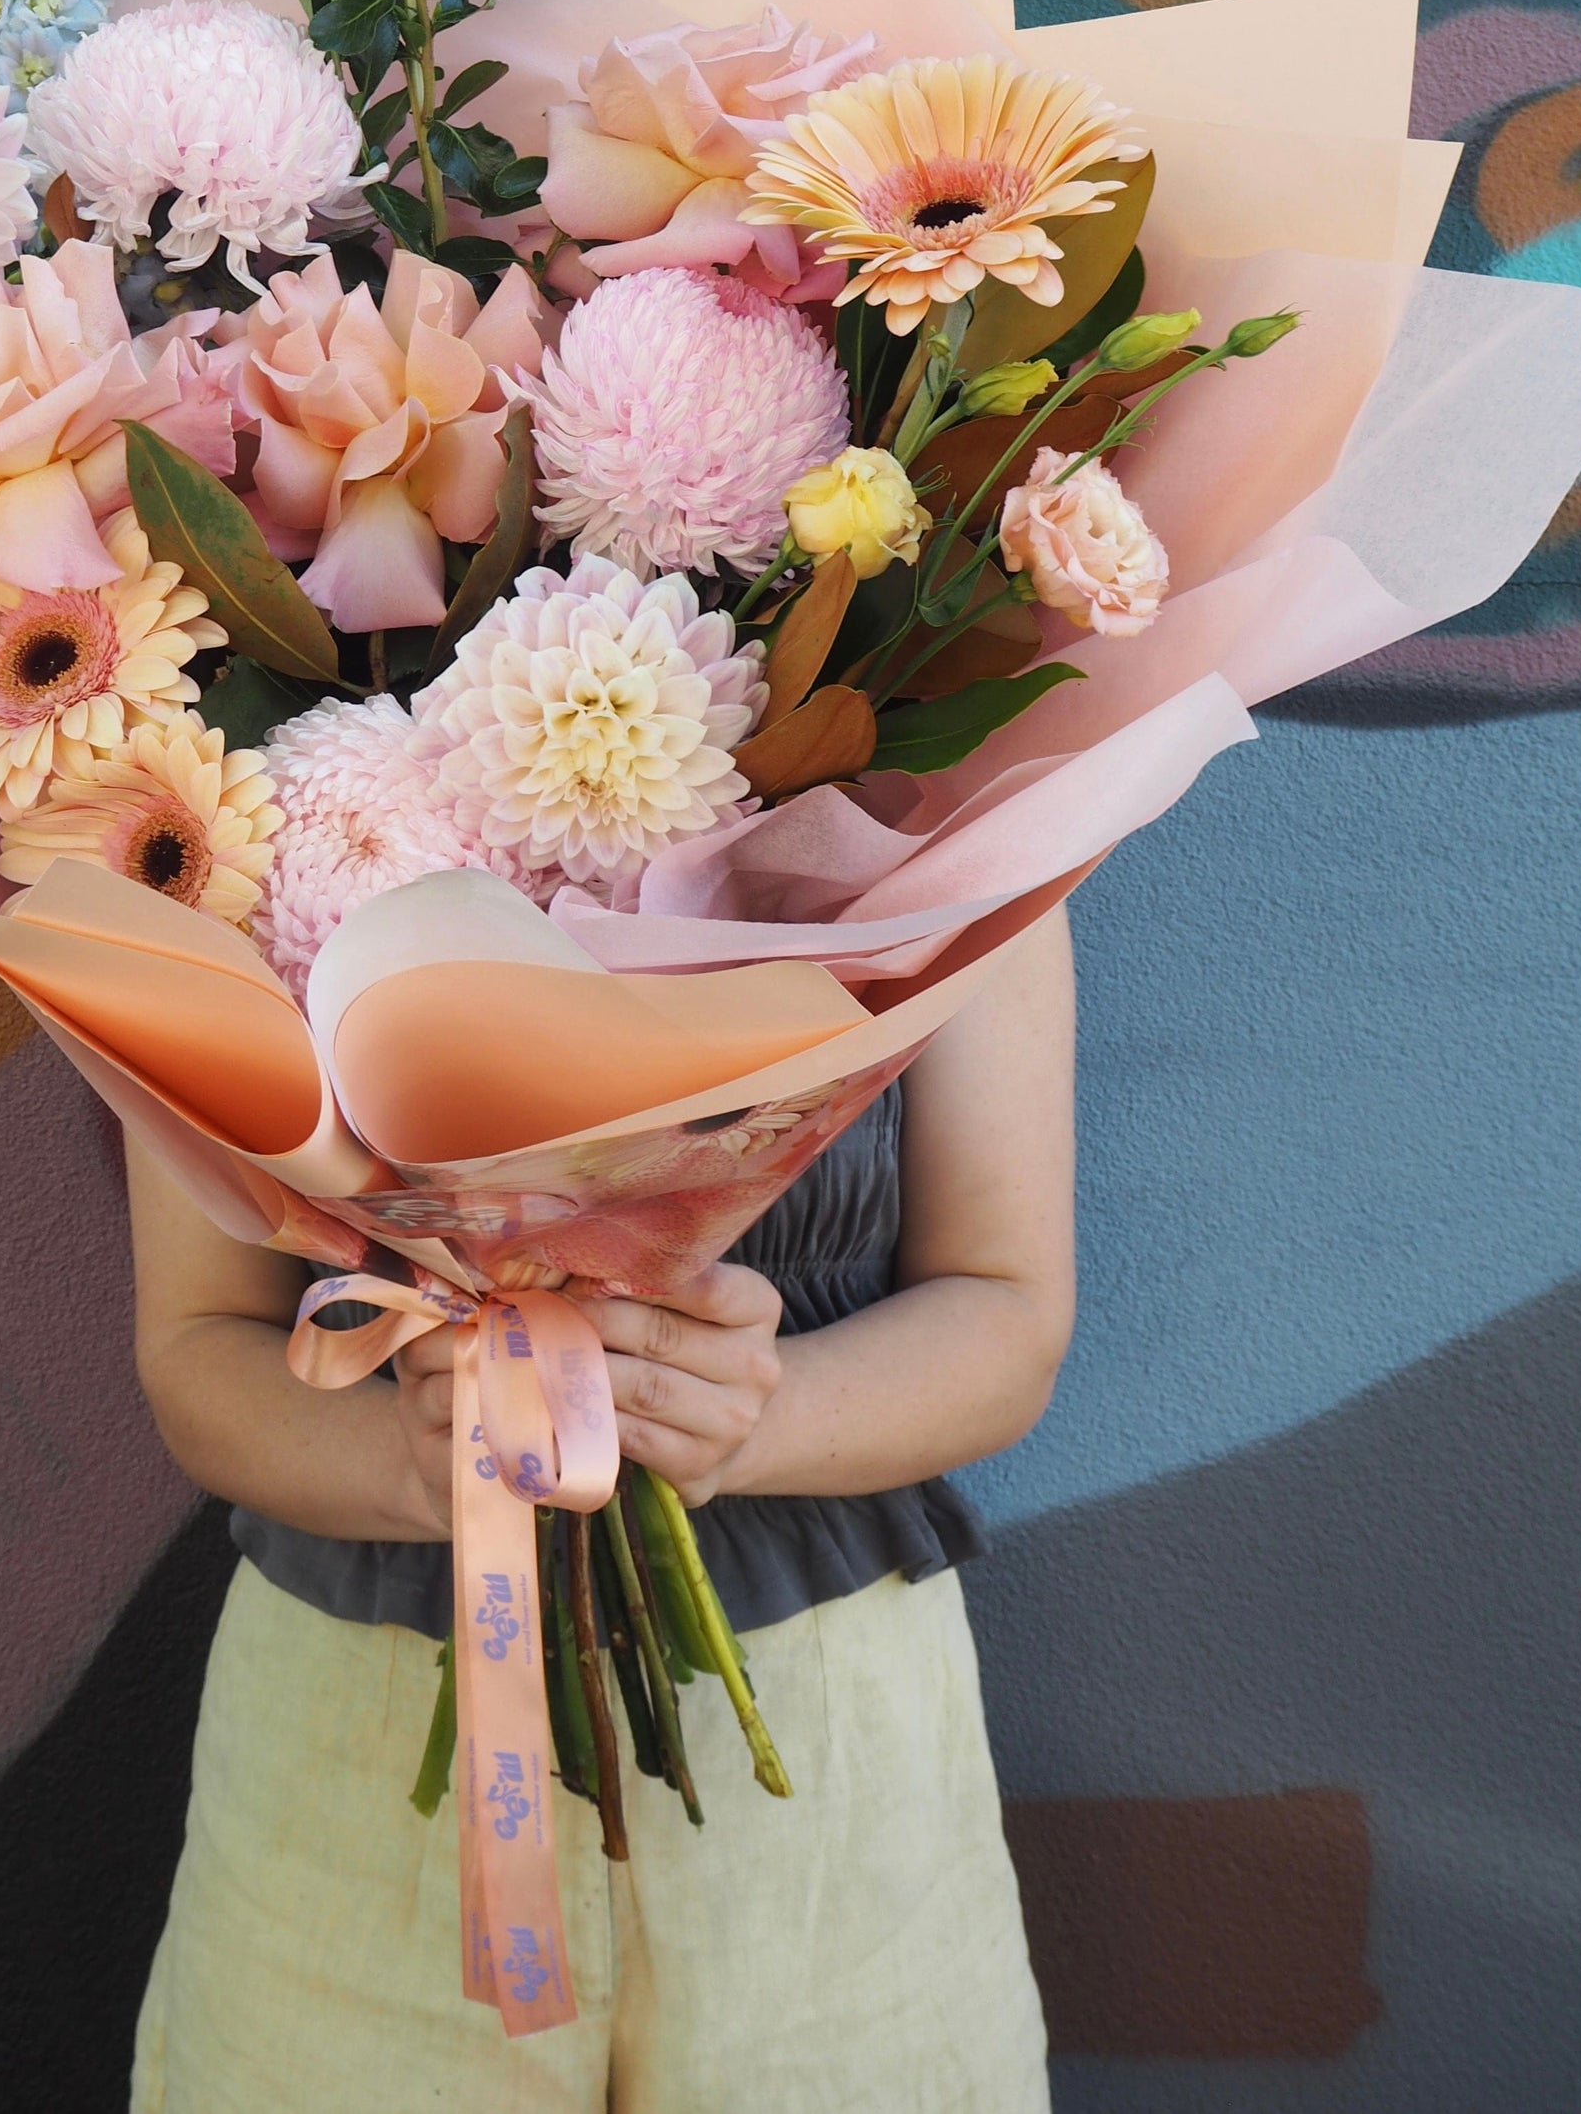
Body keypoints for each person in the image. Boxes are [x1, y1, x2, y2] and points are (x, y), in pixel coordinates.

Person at [125, 902, 1076, 2113]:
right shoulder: (216, 833)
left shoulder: (949, 817)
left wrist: (741, 1420)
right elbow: (198, 1345)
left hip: (836, 1750)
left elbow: (1005, 1310)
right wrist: (414, 1465)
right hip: (343, 1743)